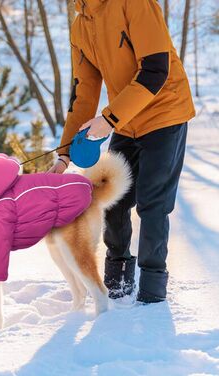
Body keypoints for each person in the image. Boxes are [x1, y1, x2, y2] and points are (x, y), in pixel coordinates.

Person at [49, 0, 195, 303]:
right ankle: (116, 285)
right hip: (126, 122)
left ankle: (152, 294)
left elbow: (156, 69)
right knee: (112, 198)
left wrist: (109, 119)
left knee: (153, 203)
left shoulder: (135, 3)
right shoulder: (80, 24)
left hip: (165, 112)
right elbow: (84, 92)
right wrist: (64, 154)